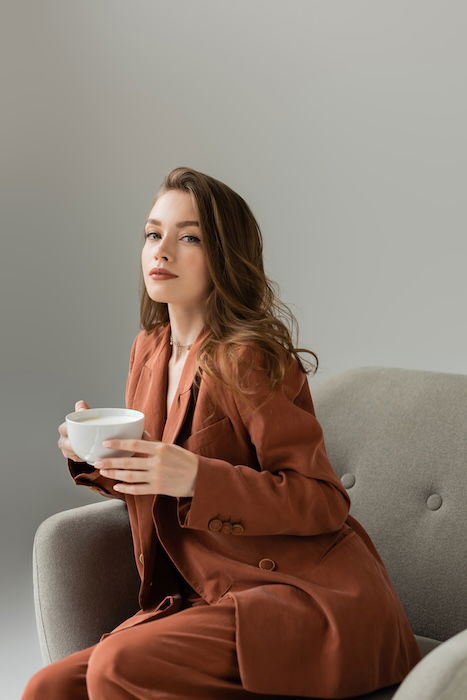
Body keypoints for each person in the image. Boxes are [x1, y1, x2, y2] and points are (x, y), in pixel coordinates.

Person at [22, 166, 422, 699]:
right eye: (152, 233)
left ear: (224, 257)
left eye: (188, 237)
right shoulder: (150, 349)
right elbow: (159, 480)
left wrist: (196, 477)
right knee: (49, 688)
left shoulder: (247, 358)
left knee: (116, 667)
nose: (160, 251)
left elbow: (323, 500)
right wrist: (96, 456)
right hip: (206, 593)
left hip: (298, 595)